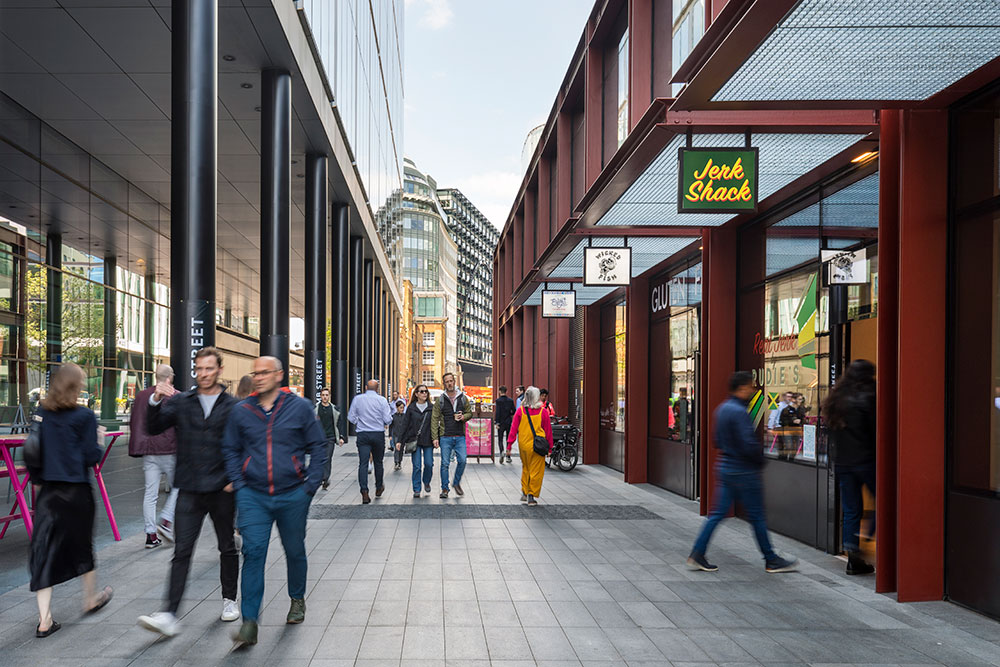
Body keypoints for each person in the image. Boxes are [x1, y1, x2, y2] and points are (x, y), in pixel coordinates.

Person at [222, 356, 327, 648]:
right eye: (255, 373)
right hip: (253, 495)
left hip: (293, 493)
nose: (259, 377)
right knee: (253, 554)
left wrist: (310, 485)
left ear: (279, 375)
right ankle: (249, 623)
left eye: (265, 372)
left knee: (294, 549)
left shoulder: (300, 408)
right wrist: (240, 483)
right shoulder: (241, 411)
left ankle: (297, 599)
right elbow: (230, 448)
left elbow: (318, 446)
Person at [137, 347, 240, 638]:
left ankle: (230, 600)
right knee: (181, 551)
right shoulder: (182, 402)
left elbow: (242, 443)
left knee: (227, 547)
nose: (204, 374)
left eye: (209, 368)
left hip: (221, 489)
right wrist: (156, 399)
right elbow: (153, 426)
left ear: (219, 369)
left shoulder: (232, 406)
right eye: (199, 369)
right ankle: (169, 613)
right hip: (190, 489)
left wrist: (236, 478)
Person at [30, 363, 114, 638]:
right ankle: (90, 599)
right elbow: (91, 457)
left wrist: (38, 477)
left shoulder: (42, 413)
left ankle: (45, 620)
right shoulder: (86, 416)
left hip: (49, 494)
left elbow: (33, 450)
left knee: (43, 553)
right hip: (77, 493)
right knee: (82, 547)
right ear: (76, 386)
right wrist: (99, 440)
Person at [686, 371, 798, 574]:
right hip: (744, 470)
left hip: (725, 466)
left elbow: (716, 441)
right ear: (742, 388)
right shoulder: (739, 412)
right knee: (756, 516)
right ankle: (771, 559)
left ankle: (697, 553)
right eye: (750, 386)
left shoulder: (721, 410)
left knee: (716, 515)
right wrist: (759, 460)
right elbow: (748, 443)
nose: (753, 390)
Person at [822, 359, 877, 575]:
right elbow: (875, 431)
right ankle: (867, 539)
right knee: (884, 500)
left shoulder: (836, 398)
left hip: (843, 462)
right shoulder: (869, 395)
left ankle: (852, 553)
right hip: (866, 460)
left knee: (852, 509)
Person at [129, 364, 179, 549]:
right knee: (179, 486)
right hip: (170, 449)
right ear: (170, 377)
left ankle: (151, 535)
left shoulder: (142, 395)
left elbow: (136, 421)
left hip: (149, 450)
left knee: (150, 493)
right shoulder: (176, 395)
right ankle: (166, 519)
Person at [347, 379, 393, 504]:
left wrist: (360, 421)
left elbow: (351, 417)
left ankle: (364, 491)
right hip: (378, 434)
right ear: (377, 388)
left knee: (363, 463)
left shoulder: (357, 399)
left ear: (366, 387)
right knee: (378, 462)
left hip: (363, 434)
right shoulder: (382, 400)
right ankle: (378, 487)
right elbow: (388, 419)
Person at [507, 386, 553, 507]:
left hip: (524, 445)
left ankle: (524, 490)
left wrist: (509, 445)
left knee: (526, 467)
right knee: (536, 471)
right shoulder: (543, 412)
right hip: (538, 446)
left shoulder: (520, 411)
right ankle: (531, 496)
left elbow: (513, 429)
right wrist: (550, 448)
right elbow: (548, 431)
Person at [431, 372, 473, 498]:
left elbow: (469, 413)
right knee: (444, 464)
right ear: (444, 384)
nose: (449, 383)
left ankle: (456, 483)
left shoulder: (463, 398)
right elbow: (434, 418)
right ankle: (445, 489)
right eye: (447, 381)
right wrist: (434, 437)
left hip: (460, 436)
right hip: (445, 436)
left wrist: (463, 417)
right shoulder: (441, 400)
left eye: (451, 381)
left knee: (463, 460)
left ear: (454, 382)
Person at [400, 385, 436, 497]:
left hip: (428, 440)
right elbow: (405, 425)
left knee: (429, 464)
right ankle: (417, 489)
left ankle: (426, 481)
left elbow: (435, 424)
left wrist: (436, 438)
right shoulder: (411, 408)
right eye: (421, 392)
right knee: (417, 466)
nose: (424, 393)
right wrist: (400, 441)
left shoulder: (431, 407)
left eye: (426, 391)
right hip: (414, 440)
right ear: (416, 394)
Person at [316, 388, 344, 490]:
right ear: (320, 396)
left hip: (330, 438)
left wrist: (341, 437)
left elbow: (339, 424)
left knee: (327, 458)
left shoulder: (334, 409)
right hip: (318, 439)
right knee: (319, 458)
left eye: (326, 395)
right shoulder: (315, 409)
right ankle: (321, 477)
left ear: (329, 396)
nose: (325, 397)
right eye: (323, 395)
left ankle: (325, 479)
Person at [494, 386, 515, 465]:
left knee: (500, 439)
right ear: (506, 391)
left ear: (500, 391)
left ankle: (501, 452)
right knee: (508, 439)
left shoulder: (498, 401)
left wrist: (497, 422)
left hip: (501, 422)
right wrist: (509, 414)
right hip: (508, 422)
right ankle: (508, 456)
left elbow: (498, 412)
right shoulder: (510, 400)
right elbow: (514, 410)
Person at [390, 400, 407, 471]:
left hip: (403, 436)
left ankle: (399, 461)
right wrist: (390, 435)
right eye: (400, 408)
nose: (402, 409)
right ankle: (396, 462)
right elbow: (391, 426)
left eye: (403, 408)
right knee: (397, 449)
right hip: (396, 435)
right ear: (397, 408)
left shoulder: (405, 416)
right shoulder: (393, 416)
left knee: (401, 450)